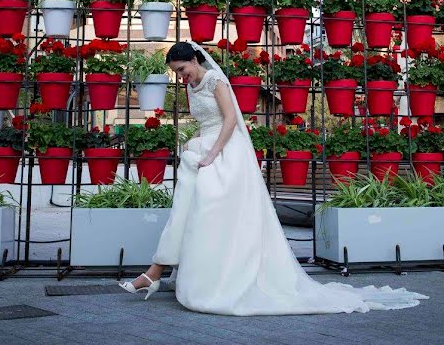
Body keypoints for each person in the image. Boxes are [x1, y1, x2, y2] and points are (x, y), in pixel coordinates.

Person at [118, 41, 428, 315]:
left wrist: (212, 154)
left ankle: (170, 273)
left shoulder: (215, 80)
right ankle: (161, 271)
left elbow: (230, 122)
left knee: (210, 208)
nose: (181, 76)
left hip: (227, 150)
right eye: (176, 72)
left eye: (182, 69)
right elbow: (206, 122)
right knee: (190, 209)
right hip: (206, 147)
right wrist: (196, 141)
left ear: (195, 60)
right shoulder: (191, 86)